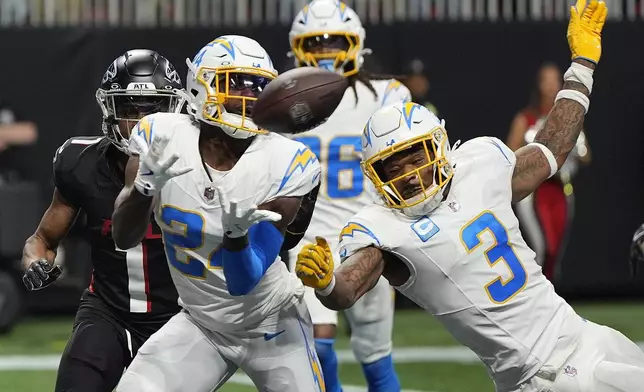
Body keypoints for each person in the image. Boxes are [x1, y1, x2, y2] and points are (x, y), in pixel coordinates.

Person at [297, 2, 644, 391]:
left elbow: (553, 147)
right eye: (391, 166)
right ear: (374, 176)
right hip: (545, 378)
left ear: (440, 149)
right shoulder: (381, 228)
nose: (408, 175)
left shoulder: (479, 163)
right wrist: (327, 282)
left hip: (587, 336)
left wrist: (582, 63)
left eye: (415, 157)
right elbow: (349, 286)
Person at [112, 35, 324, 392]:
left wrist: (237, 237)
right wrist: (144, 190)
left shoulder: (288, 160)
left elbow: (244, 281)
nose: (248, 96)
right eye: (236, 84)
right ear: (200, 85)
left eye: (259, 87)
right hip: (201, 323)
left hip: (271, 321)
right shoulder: (161, 135)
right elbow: (123, 236)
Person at [21, 49, 185, 392]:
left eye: (153, 110)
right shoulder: (80, 162)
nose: (141, 123)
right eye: (128, 109)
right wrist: (36, 262)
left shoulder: (197, 165)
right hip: (108, 311)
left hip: (182, 319)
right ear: (110, 110)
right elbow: (43, 240)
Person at [287, 1, 407, 390]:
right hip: (310, 242)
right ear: (297, 48)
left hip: (369, 239)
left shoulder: (386, 95)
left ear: (356, 45)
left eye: (334, 42)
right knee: (316, 348)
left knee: (376, 359)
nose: (325, 51)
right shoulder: (283, 101)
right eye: (316, 43)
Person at [507, 63, 592, 281]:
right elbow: (510, 156)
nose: (553, 85)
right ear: (539, 85)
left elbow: (586, 155)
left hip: (561, 189)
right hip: (534, 190)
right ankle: (530, 297)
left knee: (556, 251)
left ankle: (550, 295)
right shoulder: (526, 118)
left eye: (557, 80)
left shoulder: (570, 120)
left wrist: (574, 149)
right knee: (542, 247)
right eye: (548, 80)